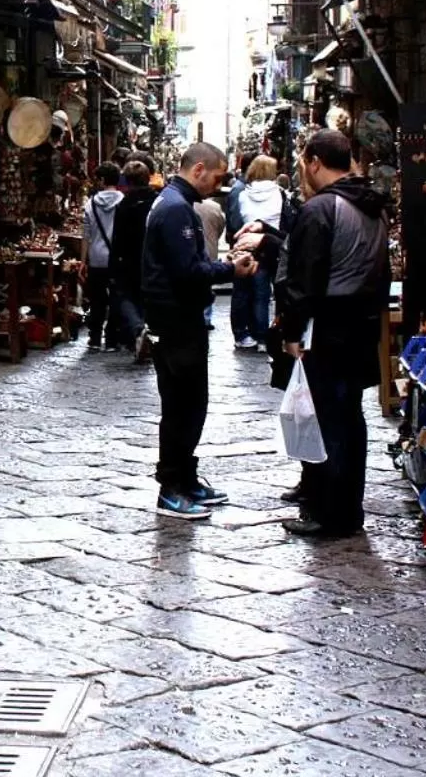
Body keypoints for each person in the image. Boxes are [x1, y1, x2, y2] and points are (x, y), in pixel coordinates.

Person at [276, 130, 390, 538]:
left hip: (327, 327)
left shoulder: (322, 209)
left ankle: (330, 513)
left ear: (314, 161)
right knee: (349, 418)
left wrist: (292, 330)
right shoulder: (372, 205)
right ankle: (344, 507)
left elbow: (304, 279)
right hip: (360, 325)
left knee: (328, 419)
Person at [141, 142, 257, 519]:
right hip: (175, 321)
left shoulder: (176, 204)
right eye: (218, 176)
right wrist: (231, 270)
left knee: (191, 403)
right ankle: (171, 489)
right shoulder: (175, 209)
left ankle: (185, 478)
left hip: (177, 318)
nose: (218, 185)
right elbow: (187, 271)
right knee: (182, 406)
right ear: (198, 169)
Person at [231, 155, 285, 348]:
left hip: (246, 244)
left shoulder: (243, 194)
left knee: (244, 292)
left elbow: (235, 220)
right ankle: (262, 336)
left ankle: (242, 334)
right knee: (263, 294)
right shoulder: (279, 194)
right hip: (271, 245)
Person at [108, 159, 157, 361]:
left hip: (128, 259)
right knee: (147, 297)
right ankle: (147, 333)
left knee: (125, 296)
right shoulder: (157, 201)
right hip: (152, 258)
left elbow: (117, 237)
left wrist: (113, 265)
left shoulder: (123, 205)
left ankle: (138, 330)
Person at [82, 162, 124, 351]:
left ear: (101, 180)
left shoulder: (90, 204)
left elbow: (86, 235)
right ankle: (112, 339)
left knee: (97, 300)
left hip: (97, 257)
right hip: (117, 258)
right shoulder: (124, 201)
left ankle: (95, 338)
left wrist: (83, 261)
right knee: (116, 298)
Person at [195, 181, 227, 330]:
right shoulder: (215, 208)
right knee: (207, 283)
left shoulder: (187, 205)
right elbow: (221, 225)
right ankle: (206, 317)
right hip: (210, 248)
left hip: (195, 249)